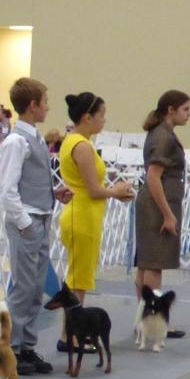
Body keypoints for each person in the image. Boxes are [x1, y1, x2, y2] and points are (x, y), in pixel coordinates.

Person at [0, 77, 70, 376]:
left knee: (36, 286)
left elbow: (29, 180)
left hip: (40, 216)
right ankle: (12, 349)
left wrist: (52, 193)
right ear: (33, 105)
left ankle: (27, 346)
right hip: (27, 221)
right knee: (23, 287)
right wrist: (25, 223)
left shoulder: (36, 138)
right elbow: (7, 189)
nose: (48, 107)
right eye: (45, 102)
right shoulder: (16, 141)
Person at [58, 92, 134, 316]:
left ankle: (72, 328)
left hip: (83, 213)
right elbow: (93, 189)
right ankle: (71, 330)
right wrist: (115, 191)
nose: (104, 120)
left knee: (79, 277)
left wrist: (113, 191)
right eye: (102, 115)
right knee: (78, 280)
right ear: (87, 117)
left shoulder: (73, 141)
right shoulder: (82, 146)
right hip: (82, 215)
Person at [134, 90, 190, 338]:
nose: (189, 114)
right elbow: (153, 177)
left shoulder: (161, 133)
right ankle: (155, 321)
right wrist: (168, 214)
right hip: (158, 205)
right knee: (154, 265)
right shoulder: (163, 137)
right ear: (171, 110)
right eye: (185, 109)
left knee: (146, 264)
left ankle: (144, 320)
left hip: (156, 203)